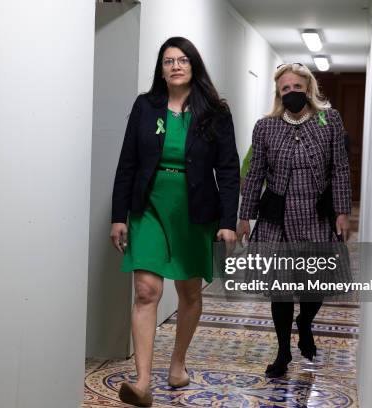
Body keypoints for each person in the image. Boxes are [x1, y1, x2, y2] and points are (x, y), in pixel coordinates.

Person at [110, 37, 239, 406]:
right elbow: (127, 162)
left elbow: (229, 169)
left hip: (195, 209)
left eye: (183, 60)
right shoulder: (145, 106)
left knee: (189, 291)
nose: (176, 66)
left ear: (194, 66)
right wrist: (119, 216)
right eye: (168, 61)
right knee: (146, 291)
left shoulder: (215, 111)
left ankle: (177, 364)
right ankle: (143, 381)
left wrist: (228, 220)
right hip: (148, 205)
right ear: (161, 69)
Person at [237, 63, 352, 378]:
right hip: (277, 218)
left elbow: (340, 168)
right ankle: (283, 351)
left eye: (297, 88)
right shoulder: (265, 127)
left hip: (317, 214)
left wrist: (342, 212)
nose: (291, 93)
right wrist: (244, 216)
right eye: (285, 89)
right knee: (280, 288)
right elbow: (256, 171)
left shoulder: (330, 120)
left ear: (309, 89)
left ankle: (305, 322)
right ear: (278, 93)